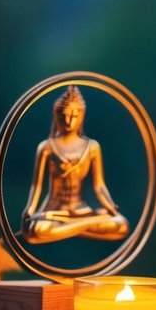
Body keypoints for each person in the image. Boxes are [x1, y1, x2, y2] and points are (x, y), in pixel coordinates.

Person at [21, 86, 130, 244]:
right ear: (56, 116)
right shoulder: (47, 147)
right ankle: (77, 228)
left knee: (121, 225)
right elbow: (36, 186)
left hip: (81, 211)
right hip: (54, 212)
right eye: (64, 115)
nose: (68, 121)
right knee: (36, 229)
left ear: (81, 117)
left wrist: (110, 207)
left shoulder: (92, 147)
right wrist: (30, 209)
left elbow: (99, 186)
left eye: (74, 115)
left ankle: (70, 229)